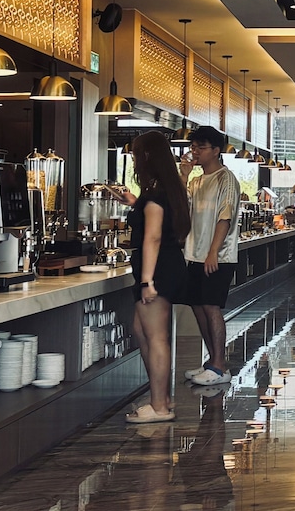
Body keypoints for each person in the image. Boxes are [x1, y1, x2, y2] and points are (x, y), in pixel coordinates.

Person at [119, 130, 191, 424]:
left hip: (157, 270)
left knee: (156, 337)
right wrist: (134, 203)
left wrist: (147, 282)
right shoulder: (166, 191)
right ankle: (161, 397)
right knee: (142, 330)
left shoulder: (155, 195)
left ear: (147, 156)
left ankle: (159, 406)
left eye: (136, 154)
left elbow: (153, 238)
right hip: (168, 265)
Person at [179, 126, 242, 388]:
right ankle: (213, 362)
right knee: (197, 306)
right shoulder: (196, 181)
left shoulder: (226, 178)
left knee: (211, 306)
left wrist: (213, 251)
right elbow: (182, 209)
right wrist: (184, 176)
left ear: (216, 150)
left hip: (218, 255)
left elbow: (225, 216)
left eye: (200, 147)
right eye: (193, 147)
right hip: (193, 254)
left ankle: (219, 365)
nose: (195, 152)